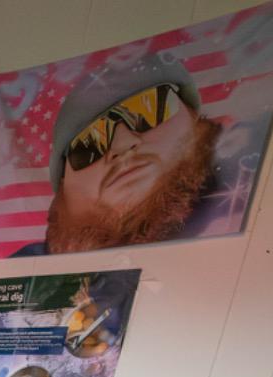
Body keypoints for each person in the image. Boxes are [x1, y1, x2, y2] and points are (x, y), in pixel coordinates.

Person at [15, 52, 222, 256]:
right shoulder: (23, 272)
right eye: (89, 144)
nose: (122, 145)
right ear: (64, 189)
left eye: (149, 109)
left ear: (193, 119)